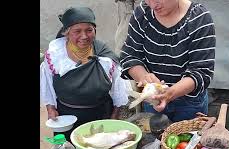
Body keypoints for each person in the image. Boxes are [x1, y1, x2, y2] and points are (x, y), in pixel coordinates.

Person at [40, 7, 129, 141]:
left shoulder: (105, 57)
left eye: (89, 30)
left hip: (100, 117)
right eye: (77, 31)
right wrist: (51, 109)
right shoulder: (55, 55)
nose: (84, 36)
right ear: (67, 33)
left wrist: (114, 118)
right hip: (66, 119)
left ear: (95, 31)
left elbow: (118, 89)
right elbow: (47, 84)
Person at [119, 0, 215, 122]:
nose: (153, 5)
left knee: (188, 139)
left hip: (190, 103)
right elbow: (130, 55)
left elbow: (202, 71)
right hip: (154, 99)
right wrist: (144, 77)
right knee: (156, 139)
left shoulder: (198, 18)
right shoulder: (142, 14)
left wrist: (169, 93)